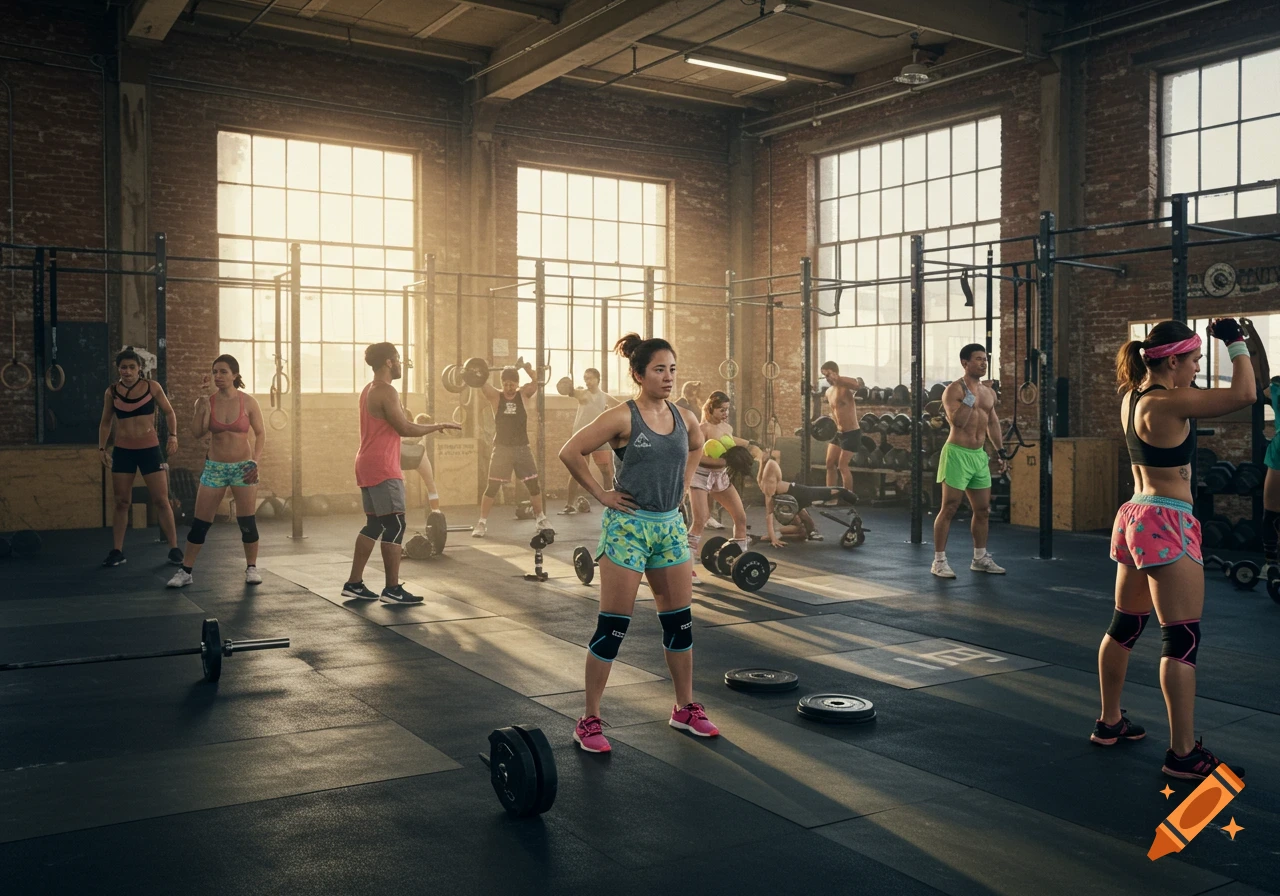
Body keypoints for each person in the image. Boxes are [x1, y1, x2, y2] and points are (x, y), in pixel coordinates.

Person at [1098, 319, 1253, 781]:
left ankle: (1109, 722)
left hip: (1134, 516)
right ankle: (1183, 753)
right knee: (1181, 639)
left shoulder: (1132, 397)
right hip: (1167, 520)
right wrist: (1236, 341)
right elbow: (1246, 394)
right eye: (1194, 360)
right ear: (1172, 360)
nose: (1197, 369)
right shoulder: (1168, 400)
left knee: (1124, 625)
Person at [559, 333, 717, 754]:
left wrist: (684, 485)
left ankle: (684, 708)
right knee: (612, 628)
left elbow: (698, 448)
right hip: (628, 527)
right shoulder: (621, 417)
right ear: (638, 374)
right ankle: (588, 719)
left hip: (668, 528)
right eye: (659, 370)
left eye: (672, 369)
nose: (668, 377)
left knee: (679, 623)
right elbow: (571, 451)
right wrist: (601, 494)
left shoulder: (685, 418)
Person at [341, 343, 460, 603]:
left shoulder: (367, 390)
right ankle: (392, 589)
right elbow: (405, 428)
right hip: (382, 466)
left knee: (374, 524)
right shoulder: (386, 391)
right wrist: (437, 425)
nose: (400, 363)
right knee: (395, 525)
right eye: (397, 359)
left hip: (366, 462)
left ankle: (354, 583)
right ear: (388, 362)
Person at [166, 355, 265, 588]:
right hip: (215, 467)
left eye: (223, 372)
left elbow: (260, 433)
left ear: (235, 375)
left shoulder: (249, 402)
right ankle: (186, 571)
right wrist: (200, 407)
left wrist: (255, 462)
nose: (218, 377)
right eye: (215, 372)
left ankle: (251, 567)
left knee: (247, 521)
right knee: (200, 522)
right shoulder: (207, 402)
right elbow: (197, 433)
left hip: (243, 467)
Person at [98, 347, 183, 568]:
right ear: (118, 369)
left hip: (150, 449)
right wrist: (101, 449)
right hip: (123, 451)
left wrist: (173, 436)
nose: (127, 371)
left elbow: (169, 412)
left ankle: (174, 549)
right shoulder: (112, 392)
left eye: (131, 367)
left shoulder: (152, 387)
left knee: (161, 500)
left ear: (139, 369)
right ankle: (117, 551)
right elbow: (106, 422)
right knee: (122, 502)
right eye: (123, 367)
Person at [931, 345, 1007, 578]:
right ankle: (939, 561)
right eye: (978, 360)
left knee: (983, 510)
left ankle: (979, 558)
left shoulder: (988, 393)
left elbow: (992, 423)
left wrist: (1001, 452)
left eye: (985, 359)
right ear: (965, 363)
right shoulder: (953, 390)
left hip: (978, 456)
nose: (983, 363)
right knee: (950, 508)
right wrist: (971, 395)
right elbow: (959, 421)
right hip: (957, 454)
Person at [474, 359, 550, 536]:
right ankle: (481, 523)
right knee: (492, 487)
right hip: (501, 448)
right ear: (502, 383)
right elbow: (479, 381)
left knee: (533, 484)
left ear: (517, 384)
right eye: (506, 384)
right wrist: (478, 370)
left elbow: (538, 381)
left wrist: (527, 368)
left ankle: (540, 518)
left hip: (522, 448)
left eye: (512, 384)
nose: (509, 387)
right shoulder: (495, 396)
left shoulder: (523, 394)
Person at [686, 391, 750, 584]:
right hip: (700, 477)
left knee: (740, 517)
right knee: (701, 520)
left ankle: (739, 562)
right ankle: (687, 570)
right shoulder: (701, 429)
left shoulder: (727, 428)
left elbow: (730, 453)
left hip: (720, 477)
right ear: (710, 409)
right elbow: (694, 458)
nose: (725, 413)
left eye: (727, 409)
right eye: (722, 409)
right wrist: (723, 461)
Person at [750, 443, 858, 546]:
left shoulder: (770, 468)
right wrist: (772, 538)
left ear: (767, 452)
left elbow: (769, 511)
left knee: (840, 492)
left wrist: (772, 537)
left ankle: (853, 507)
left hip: (799, 493)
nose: (759, 456)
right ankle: (777, 534)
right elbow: (769, 509)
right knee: (802, 533)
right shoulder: (764, 470)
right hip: (792, 497)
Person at [561, 368, 620, 514]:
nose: (588, 381)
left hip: (600, 437)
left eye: (591, 378)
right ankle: (569, 505)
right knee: (577, 471)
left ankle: (609, 503)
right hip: (582, 437)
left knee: (606, 472)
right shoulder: (582, 393)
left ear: (598, 380)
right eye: (586, 378)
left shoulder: (605, 397)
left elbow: (621, 406)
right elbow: (571, 391)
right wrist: (567, 387)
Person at [820, 361, 864, 496]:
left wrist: (838, 379)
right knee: (829, 463)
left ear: (835, 372)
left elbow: (858, 384)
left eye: (828, 374)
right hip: (837, 433)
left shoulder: (846, 388)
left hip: (851, 433)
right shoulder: (828, 392)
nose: (827, 378)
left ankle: (848, 497)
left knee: (842, 466)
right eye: (824, 376)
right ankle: (831, 496)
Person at [403, 413, 442, 520]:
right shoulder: (401, 426)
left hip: (418, 456)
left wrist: (437, 426)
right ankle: (397, 513)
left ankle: (436, 512)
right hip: (404, 455)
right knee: (400, 483)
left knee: (430, 483)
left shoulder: (420, 430)